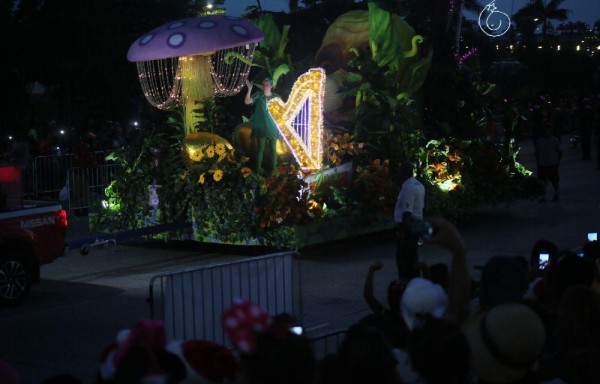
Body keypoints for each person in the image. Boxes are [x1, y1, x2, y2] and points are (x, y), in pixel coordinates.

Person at [394, 161, 425, 279]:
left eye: (400, 170)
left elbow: (407, 212)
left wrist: (401, 232)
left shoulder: (408, 187)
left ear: (404, 172)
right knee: (412, 256)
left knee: (404, 258)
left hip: (409, 227)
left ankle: (407, 282)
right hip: (416, 224)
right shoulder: (418, 185)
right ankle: (414, 280)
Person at [244, 77, 280, 176]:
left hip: (272, 125)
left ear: (271, 86)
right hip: (261, 126)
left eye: (267, 84)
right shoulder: (259, 95)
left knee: (273, 148)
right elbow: (247, 102)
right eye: (264, 84)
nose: (265, 86)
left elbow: (281, 111)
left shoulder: (276, 97)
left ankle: (274, 170)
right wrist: (249, 89)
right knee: (261, 148)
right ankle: (258, 170)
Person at [534, 124, 562, 202]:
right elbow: (537, 153)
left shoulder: (554, 140)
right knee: (542, 181)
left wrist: (557, 161)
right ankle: (543, 196)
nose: (546, 132)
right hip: (543, 164)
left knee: (554, 180)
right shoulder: (539, 141)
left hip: (552, 163)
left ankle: (556, 193)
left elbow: (559, 151)